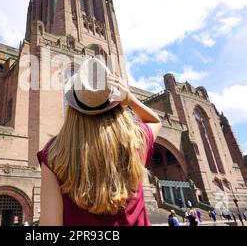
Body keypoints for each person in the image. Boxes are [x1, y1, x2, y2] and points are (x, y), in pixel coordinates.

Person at [37, 58, 162, 226]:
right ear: (116, 104)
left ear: (73, 106)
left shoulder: (54, 152)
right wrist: (130, 99)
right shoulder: (135, 139)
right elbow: (155, 122)